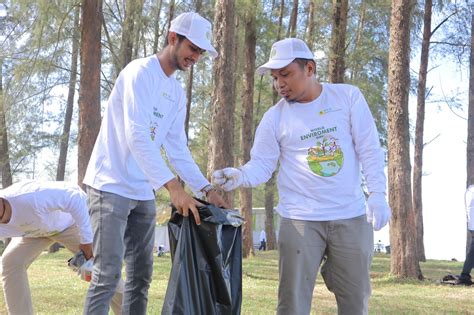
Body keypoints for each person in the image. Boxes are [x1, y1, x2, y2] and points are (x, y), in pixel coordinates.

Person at [212, 38, 391, 314]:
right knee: (291, 304)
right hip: (299, 220)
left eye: (285, 74)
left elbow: (369, 149)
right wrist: (240, 175)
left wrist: (378, 194)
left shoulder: (348, 98)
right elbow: (261, 164)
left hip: (350, 216)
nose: (279, 84)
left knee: (355, 301)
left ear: (309, 68)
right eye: (274, 77)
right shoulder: (274, 118)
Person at [83, 12, 228, 315]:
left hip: (142, 190)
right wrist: (174, 188)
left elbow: (177, 148)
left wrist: (205, 187)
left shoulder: (176, 92)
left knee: (141, 277)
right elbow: (137, 136)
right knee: (107, 274)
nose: (196, 57)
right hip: (109, 184)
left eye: (201, 52)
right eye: (193, 48)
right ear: (173, 38)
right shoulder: (140, 73)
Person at [0, 181, 123, 315]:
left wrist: (87, 241)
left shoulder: (30, 196)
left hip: (69, 224)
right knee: (11, 262)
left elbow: (75, 197)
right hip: (35, 232)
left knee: (101, 268)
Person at [458, 185, 474, 285]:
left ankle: (464, 275)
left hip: (472, 226)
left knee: (472, 252)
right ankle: (464, 276)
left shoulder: (470, 190)